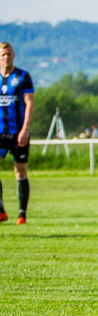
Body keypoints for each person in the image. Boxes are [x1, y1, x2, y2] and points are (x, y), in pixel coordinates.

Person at [0, 42, 35, 225]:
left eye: (9, 54)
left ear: (13, 55)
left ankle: (22, 214)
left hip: (18, 133)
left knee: (20, 171)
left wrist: (25, 130)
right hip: (0, 132)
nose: (6, 57)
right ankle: (1, 211)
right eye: (3, 54)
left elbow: (29, 103)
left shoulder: (22, 77)